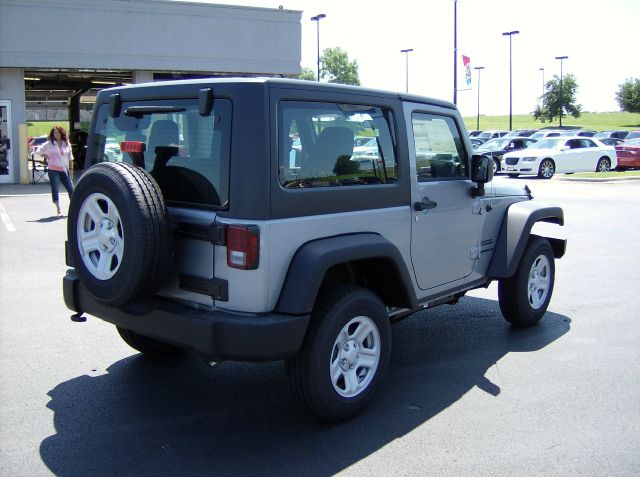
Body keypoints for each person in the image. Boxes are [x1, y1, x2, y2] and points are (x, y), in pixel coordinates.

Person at [38, 126, 74, 216]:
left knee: (71, 189)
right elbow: (39, 151)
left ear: (61, 133)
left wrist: (71, 169)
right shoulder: (50, 143)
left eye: (58, 133)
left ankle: (74, 208)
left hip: (64, 169)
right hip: (53, 169)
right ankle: (58, 209)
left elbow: (70, 157)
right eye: (55, 133)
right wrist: (48, 156)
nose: (56, 134)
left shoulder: (66, 144)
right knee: (55, 188)